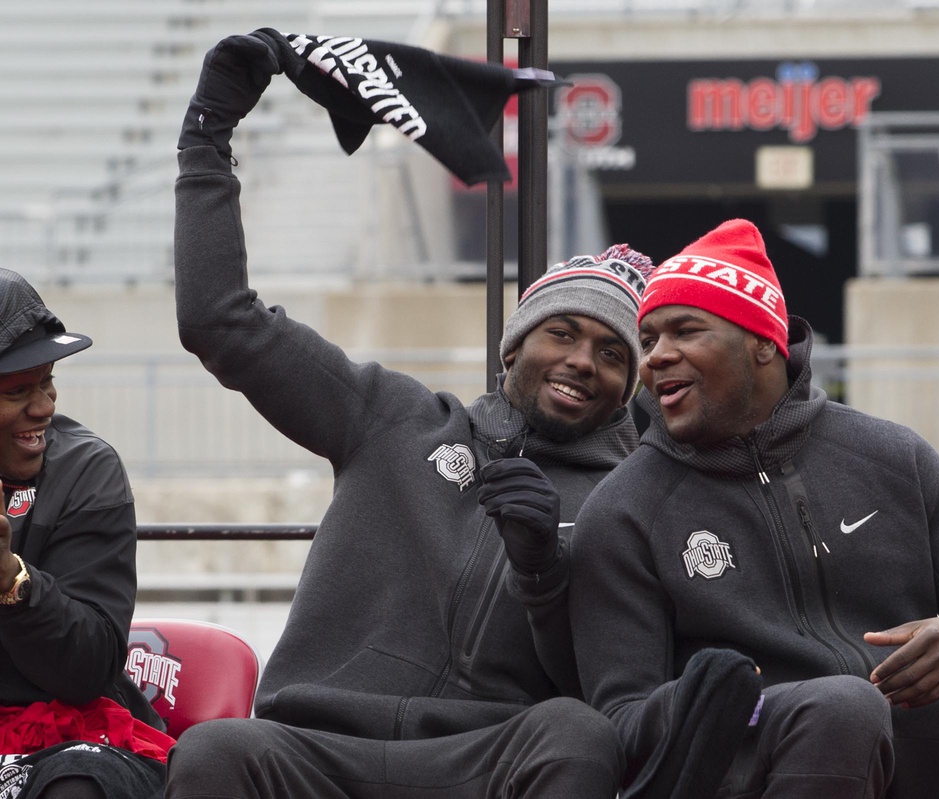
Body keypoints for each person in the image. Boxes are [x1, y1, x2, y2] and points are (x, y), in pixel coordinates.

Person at [164, 33, 654, 799]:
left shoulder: (629, 498)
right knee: (217, 750)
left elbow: (610, 688)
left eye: (611, 354)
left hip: (484, 758)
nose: (583, 361)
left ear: (628, 388)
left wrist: (543, 571)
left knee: (577, 735)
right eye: (561, 332)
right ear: (513, 348)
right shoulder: (391, 417)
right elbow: (220, 321)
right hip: (320, 745)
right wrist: (207, 136)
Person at [568, 219, 939, 799]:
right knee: (843, 706)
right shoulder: (624, 509)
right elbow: (621, 724)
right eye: (648, 341)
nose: (657, 357)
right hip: (745, 762)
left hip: (907, 740)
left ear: (763, 342)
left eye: (685, 330)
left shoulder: (893, 457)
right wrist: (726, 700)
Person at [0, 270, 171, 799]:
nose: (44, 406)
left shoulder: (87, 471)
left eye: (48, 381)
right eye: (18, 390)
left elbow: (88, 668)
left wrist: (14, 583)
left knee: (79, 785)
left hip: (69, 741)